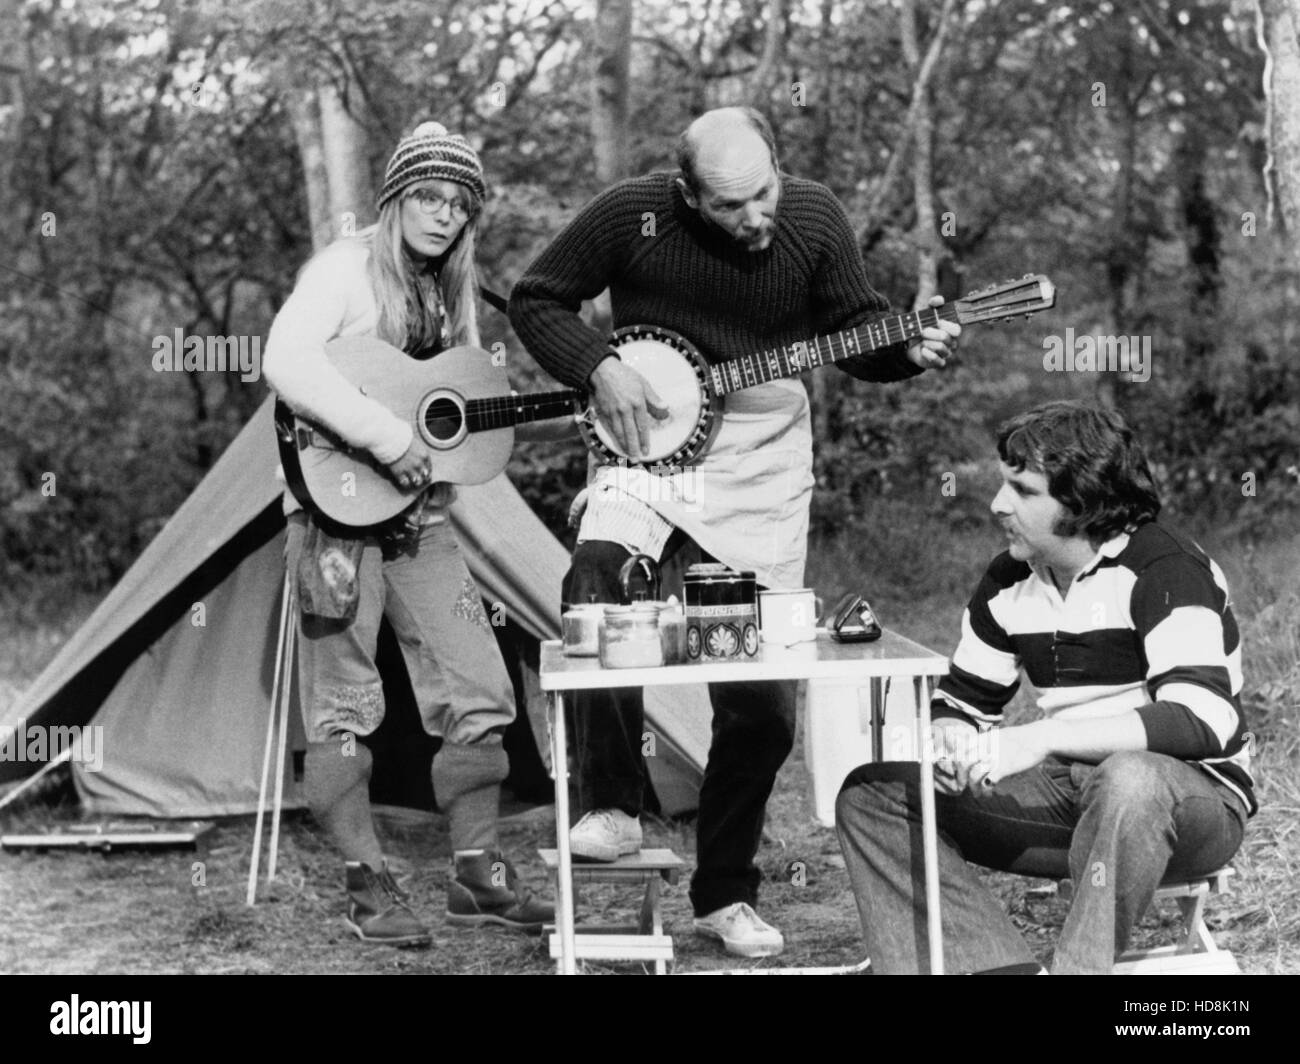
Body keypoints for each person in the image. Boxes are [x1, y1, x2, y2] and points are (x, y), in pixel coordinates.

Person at [508, 107, 959, 958]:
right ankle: (611, 804)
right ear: (685, 195)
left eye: (764, 195)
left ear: (779, 171)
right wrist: (596, 365)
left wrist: (908, 351)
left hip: (761, 455)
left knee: (759, 698)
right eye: (729, 207)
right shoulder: (629, 215)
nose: (755, 219)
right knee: (595, 582)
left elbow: (854, 330)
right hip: (650, 444)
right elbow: (538, 298)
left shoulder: (816, 219)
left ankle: (723, 892)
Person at [263, 121, 557, 946]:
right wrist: (388, 439)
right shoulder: (342, 271)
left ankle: (478, 876)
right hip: (332, 518)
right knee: (343, 705)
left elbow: (457, 405)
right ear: (396, 197)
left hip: (422, 523)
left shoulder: (451, 288)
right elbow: (285, 359)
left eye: (460, 205)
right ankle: (367, 888)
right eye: (429, 197)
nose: (443, 216)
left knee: (481, 686)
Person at [835, 400, 1255, 974]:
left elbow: (1201, 720)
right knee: (873, 793)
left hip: (1190, 806)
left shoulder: (1165, 570)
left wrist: (1041, 737)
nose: (996, 504)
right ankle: (995, 970)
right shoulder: (1010, 578)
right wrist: (950, 739)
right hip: (1073, 801)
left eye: (1022, 490)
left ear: (1082, 502)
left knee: (1129, 776)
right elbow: (963, 699)